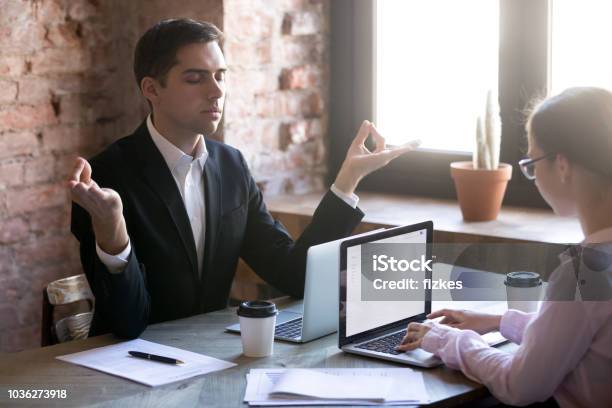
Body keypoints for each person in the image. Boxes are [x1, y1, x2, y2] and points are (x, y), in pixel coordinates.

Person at [68, 19, 419, 339]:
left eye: (220, 75)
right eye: (196, 78)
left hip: (212, 356)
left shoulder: (231, 165)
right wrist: (114, 234)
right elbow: (127, 322)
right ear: (152, 89)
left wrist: (347, 180)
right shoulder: (107, 178)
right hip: (130, 369)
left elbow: (293, 273)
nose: (217, 91)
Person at [396, 87, 612, 407]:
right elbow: (575, 337)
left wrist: (447, 340)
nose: (533, 177)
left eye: (532, 163)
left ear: (563, 165)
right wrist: (500, 322)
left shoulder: (584, 273)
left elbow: (520, 385)